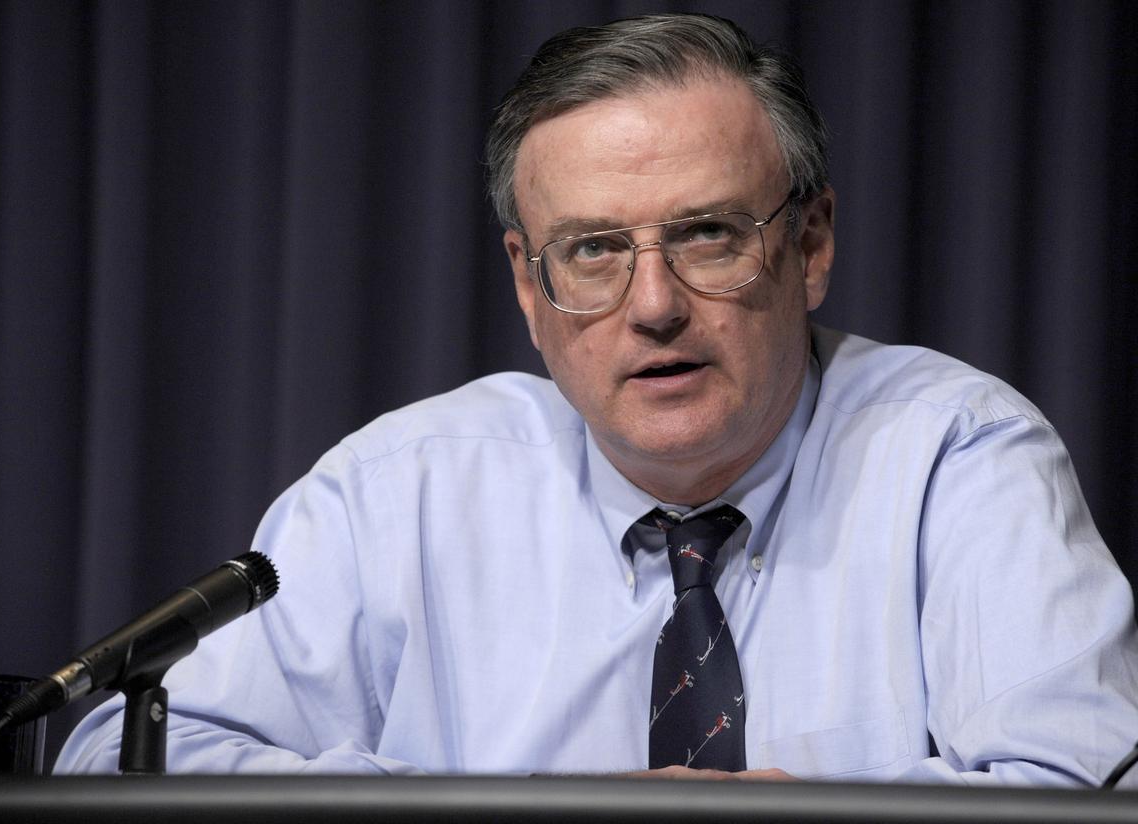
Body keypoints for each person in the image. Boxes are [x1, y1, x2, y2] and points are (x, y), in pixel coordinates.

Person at [56, 13, 1138, 784]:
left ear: (808, 246)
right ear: (528, 287)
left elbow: (1081, 779)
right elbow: (121, 755)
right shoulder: (403, 490)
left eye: (707, 233)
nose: (653, 304)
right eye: (593, 251)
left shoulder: (954, 454)